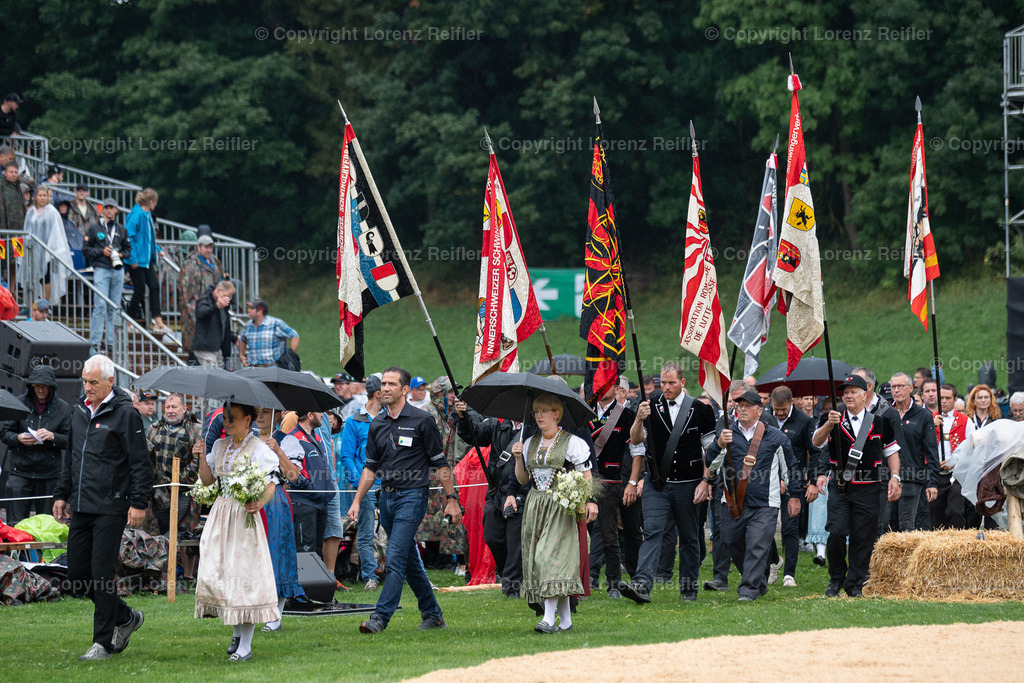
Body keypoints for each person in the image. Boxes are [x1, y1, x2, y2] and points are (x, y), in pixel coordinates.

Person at [347, 366, 461, 634]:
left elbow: (440, 463)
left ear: (405, 390)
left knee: (395, 558)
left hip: (413, 496)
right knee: (409, 560)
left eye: (391, 384)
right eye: (383, 384)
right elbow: (370, 467)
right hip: (385, 498)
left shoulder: (423, 421)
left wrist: (451, 498)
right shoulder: (376, 423)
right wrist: (355, 501)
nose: (385, 388)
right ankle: (433, 614)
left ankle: (380, 618)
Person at [52, 355, 152, 661]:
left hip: (112, 505)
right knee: (76, 576)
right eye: (84, 381)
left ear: (110, 381)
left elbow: (140, 463)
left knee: (100, 575)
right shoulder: (78, 411)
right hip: (81, 505)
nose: (87, 387)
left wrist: (138, 502)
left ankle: (103, 643)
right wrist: (61, 494)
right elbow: (70, 456)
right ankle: (125, 617)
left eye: (93, 382)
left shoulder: (126, 414)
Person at [620, 362, 717, 604]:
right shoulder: (649, 406)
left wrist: (706, 480)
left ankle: (688, 589)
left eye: (671, 383)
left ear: (682, 382)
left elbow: (711, 450)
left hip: (689, 483)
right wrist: (639, 420)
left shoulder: (700, 409)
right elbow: (636, 441)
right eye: (663, 383)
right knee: (652, 532)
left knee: (689, 536)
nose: (666, 387)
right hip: (657, 483)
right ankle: (642, 585)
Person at [194, 402, 279, 662]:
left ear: (248, 420)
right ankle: (235, 633)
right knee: (219, 572)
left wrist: (259, 502)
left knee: (243, 577)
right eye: (225, 418)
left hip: (243, 516)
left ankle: (246, 645)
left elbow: (272, 482)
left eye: (233, 418)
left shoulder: (258, 449)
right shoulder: (220, 446)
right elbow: (208, 481)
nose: (227, 422)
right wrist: (201, 454)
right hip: (221, 513)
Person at [511, 393, 598, 632]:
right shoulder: (529, 443)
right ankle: (566, 621)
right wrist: (519, 459)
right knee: (543, 562)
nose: (539, 416)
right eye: (536, 412)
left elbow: (586, 476)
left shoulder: (572, 443)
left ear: (556, 414)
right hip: (535, 506)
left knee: (548, 559)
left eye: (544, 411)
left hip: (561, 507)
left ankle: (548, 619)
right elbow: (523, 479)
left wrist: (585, 500)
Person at [812, 374, 901, 598]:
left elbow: (891, 451)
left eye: (853, 392)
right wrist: (828, 425)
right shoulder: (833, 418)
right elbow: (816, 442)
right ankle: (836, 579)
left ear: (865, 395)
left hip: (869, 487)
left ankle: (855, 584)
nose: (848, 395)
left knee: (863, 537)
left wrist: (895, 477)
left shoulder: (879, 422)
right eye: (845, 392)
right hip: (840, 487)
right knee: (836, 532)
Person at [704, 390, 798, 601]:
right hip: (732, 503)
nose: (742, 409)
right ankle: (759, 583)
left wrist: (795, 495)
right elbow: (710, 465)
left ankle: (747, 591)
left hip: (765, 504)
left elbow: (790, 469)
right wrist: (718, 445)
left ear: (759, 410)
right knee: (730, 540)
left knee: (757, 544)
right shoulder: (726, 435)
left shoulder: (776, 437)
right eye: (739, 405)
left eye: (747, 405)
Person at [587, 378, 645, 598]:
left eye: (606, 384)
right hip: (581, 482)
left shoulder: (627, 415)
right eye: (598, 385)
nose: (601, 389)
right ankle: (582, 581)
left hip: (610, 483)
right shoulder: (584, 411)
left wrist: (632, 482)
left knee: (609, 535)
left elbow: (637, 451)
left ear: (616, 389)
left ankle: (614, 584)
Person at [254, 407, 305, 632]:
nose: (260, 416)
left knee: (277, 551)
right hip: (249, 498)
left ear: (278, 415)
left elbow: (294, 477)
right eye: (256, 412)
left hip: (274, 499)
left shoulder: (288, 441)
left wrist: (279, 452)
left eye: (266, 411)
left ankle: (275, 616)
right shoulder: (248, 440)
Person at [0, 365, 72, 525]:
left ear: (51, 387)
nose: (40, 390)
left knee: (48, 526)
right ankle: (16, 551)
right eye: (37, 386)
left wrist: (53, 436)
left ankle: (44, 551)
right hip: (20, 472)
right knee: (16, 525)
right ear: (31, 386)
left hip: (49, 474)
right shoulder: (18, 403)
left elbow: (70, 440)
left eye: (43, 386)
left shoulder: (63, 408)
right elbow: (5, 433)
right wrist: (18, 438)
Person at [768, 385, 822, 587]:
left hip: (794, 483)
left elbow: (815, 452)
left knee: (790, 529)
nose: (779, 413)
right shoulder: (766, 418)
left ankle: (789, 574)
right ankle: (774, 561)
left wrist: (813, 481)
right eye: (776, 409)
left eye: (783, 409)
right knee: (764, 528)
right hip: (767, 482)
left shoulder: (804, 421)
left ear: (792, 402)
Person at [416, 377, 470, 575]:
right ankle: (434, 559)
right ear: (440, 394)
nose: (455, 397)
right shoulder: (428, 415)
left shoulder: (447, 414)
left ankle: (443, 559)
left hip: (444, 473)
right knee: (429, 519)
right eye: (450, 393)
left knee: (443, 517)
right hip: (429, 475)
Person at [146, 393, 201, 578]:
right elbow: (145, 457)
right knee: (159, 532)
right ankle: (160, 574)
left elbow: (199, 460)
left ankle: (187, 576)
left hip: (185, 490)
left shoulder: (195, 430)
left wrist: (180, 481)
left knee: (185, 534)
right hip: (158, 492)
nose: (170, 411)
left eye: (174, 407)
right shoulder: (153, 429)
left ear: (184, 409)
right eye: (167, 407)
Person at [337, 375, 383, 590]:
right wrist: (360, 483)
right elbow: (346, 456)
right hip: (365, 487)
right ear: (377, 394)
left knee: (397, 531)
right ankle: (370, 577)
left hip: (391, 484)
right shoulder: (354, 420)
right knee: (365, 533)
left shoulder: (392, 418)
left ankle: (402, 573)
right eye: (386, 387)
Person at [888, 372, 939, 531]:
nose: (896, 390)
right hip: (887, 477)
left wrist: (932, 482)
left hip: (912, 476)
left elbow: (931, 451)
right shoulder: (886, 414)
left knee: (907, 525)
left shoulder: (923, 415)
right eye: (893, 387)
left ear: (911, 388)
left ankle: (907, 556)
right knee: (886, 524)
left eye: (900, 386)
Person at [279, 410, 334, 557]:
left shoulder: (316, 437)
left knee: (317, 552)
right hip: (304, 504)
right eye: (319, 412)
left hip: (320, 503)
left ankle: (319, 580)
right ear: (310, 415)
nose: (323, 415)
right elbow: (292, 474)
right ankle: (303, 581)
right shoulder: (293, 438)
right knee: (305, 553)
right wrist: (310, 487)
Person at [83, 198, 130, 354]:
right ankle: (95, 342)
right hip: (101, 269)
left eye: (112, 208)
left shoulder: (122, 229)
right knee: (100, 306)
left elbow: (129, 250)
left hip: (117, 270)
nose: (109, 211)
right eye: (106, 208)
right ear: (101, 210)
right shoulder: (94, 228)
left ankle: (111, 342)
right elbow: (85, 249)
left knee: (114, 308)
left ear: (116, 210)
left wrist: (120, 254)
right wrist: (101, 252)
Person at [124, 188, 168, 332]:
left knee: (154, 287)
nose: (156, 204)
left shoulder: (147, 215)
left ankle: (158, 322)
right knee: (139, 290)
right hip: (136, 261)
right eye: (155, 201)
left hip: (147, 260)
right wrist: (133, 258)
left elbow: (150, 239)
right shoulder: (136, 215)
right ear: (150, 201)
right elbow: (128, 237)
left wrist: (159, 251)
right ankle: (129, 322)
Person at [930, 383, 973, 529]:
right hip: (935, 473)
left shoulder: (966, 421)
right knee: (935, 513)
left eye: (947, 398)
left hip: (956, 473)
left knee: (956, 511)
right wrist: (930, 425)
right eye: (941, 397)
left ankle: (957, 541)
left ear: (955, 400)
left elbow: (972, 448)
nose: (943, 401)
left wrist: (955, 461)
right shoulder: (929, 419)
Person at [23, 184, 74, 305]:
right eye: (40, 195)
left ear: (48, 197)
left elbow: (56, 232)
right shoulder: (31, 212)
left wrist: (52, 249)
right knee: (30, 278)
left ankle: (44, 305)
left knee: (46, 278)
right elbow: (27, 230)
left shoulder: (52, 212)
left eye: (44, 195)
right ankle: (31, 305)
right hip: (32, 250)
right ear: (35, 197)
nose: (42, 198)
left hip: (48, 250)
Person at [180, 234, 224, 361]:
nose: (209, 250)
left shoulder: (215, 263)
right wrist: (196, 315)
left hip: (214, 312)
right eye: (205, 247)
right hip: (197, 315)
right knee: (195, 354)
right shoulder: (190, 265)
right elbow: (187, 295)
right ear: (198, 247)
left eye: (210, 247)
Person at [237, 298, 299, 367]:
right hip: (254, 368)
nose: (248, 310)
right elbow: (242, 340)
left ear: (260, 312)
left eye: (251, 308)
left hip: (273, 367)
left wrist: (290, 355)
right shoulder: (248, 325)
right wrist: (241, 355)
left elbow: (294, 336)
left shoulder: (276, 324)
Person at [193, 280, 237, 367]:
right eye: (226, 296)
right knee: (212, 373)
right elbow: (201, 313)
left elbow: (223, 326)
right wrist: (216, 307)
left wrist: (233, 338)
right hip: (205, 348)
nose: (228, 299)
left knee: (220, 376)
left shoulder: (224, 306)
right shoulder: (204, 300)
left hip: (217, 348)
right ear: (219, 291)